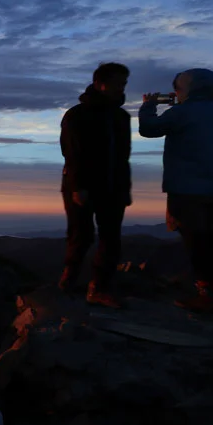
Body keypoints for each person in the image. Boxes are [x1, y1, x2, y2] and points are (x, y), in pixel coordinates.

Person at [139, 68, 213, 312]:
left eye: (178, 89)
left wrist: (149, 105)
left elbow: (149, 129)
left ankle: (208, 295)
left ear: (186, 89)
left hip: (186, 188)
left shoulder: (181, 113)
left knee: (196, 241)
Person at [59, 62, 132, 308]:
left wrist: (125, 188)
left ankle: (98, 287)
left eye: (124, 82)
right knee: (81, 235)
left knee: (111, 237)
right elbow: (72, 152)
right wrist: (78, 186)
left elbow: (123, 156)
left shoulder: (121, 117)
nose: (123, 87)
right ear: (101, 84)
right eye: (119, 83)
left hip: (113, 187)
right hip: (82, 186)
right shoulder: (77, 115)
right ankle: (68, 281)